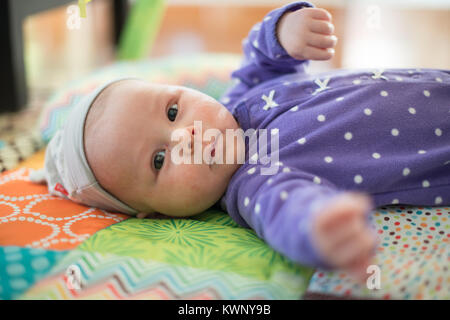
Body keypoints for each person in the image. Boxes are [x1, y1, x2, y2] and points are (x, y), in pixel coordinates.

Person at [31, 1, 450, 280]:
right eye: (159, 161)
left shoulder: (239, 98)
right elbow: (288, 212)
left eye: (173, 111)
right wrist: (320, 229)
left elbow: (261, 56)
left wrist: (285, 31)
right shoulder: (254, 182)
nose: (186, 137)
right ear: (154, 214)